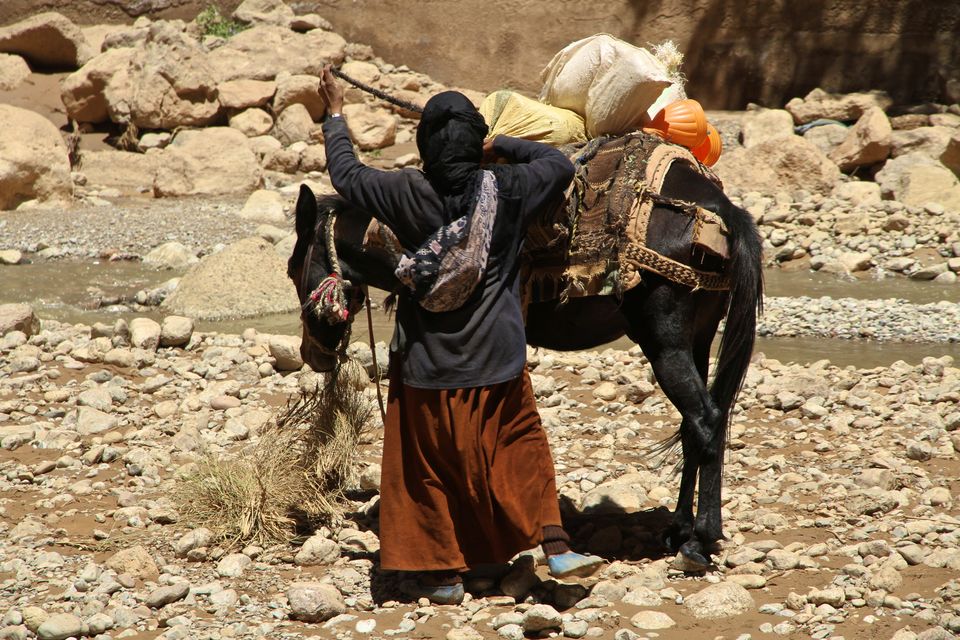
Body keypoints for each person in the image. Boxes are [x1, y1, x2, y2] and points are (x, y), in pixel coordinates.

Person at [317, 65, 602, 605]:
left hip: (429, 365)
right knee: (518, 447)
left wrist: (335, 116)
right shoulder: (511, 187)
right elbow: (559, 164)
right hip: (498, 358)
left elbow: (346, 175)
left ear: (424, 145)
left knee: (430, 469)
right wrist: (503, 142)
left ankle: (445, 575)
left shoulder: (402, 191)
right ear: (476, 142)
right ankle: (556, 544)